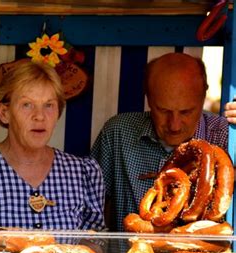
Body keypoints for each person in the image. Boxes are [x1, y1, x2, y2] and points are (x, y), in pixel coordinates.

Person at [0, 60, 105, 232]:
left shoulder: (82, 172)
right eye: (27, 105)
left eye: (49, 105)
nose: (40, 116)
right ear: (4, 113)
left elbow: (94, 244)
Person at [90, 52, 232, 233]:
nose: (174, 125)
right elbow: (91, 209)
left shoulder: (226, 135)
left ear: (203, 97)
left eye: (186, 112)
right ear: (148, 98)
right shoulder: (118, 132)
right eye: (163, 111)